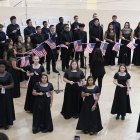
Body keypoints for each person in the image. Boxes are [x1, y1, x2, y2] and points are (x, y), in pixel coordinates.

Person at [0, 60, 15, 130]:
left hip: (7, 95)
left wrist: (4, 87)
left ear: (5, 67)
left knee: (6, 108)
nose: (1, 68)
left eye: (3, 67)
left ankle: (6, 123)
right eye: (0, 67)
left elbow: (12, 85)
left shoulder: (9, 74)